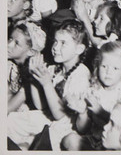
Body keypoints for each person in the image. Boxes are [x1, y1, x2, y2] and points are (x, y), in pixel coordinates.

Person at [7, 20, 91, 150]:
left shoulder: (81, 75)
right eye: (56, 41)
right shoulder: (55, 68)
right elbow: (40, 105)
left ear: (79, 49)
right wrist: (34, 78)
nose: (56, 47)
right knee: (10, 121)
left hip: (66, 127)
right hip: (49, 117)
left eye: (63, 43)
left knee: (42, 138)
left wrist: (46, 83)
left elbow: (60, 115)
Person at [63, 41, 121, 150]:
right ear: (98, 66)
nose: (108, 72)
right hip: (95, 141)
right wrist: (82, 113)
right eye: (104, 66)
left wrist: (100, 111)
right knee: (69, 140)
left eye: (115, 68)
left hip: (116, 144)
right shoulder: (93, 91)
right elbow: (82, 129)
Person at [8, 22, 46, 114]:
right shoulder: (11, 65)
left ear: (31, 52)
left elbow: (6, 109)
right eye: (10, 39)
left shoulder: (32, 73)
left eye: (17, 43)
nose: (8, 44)